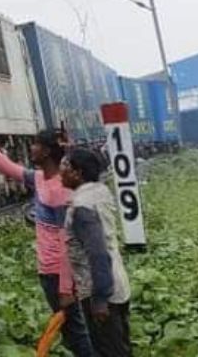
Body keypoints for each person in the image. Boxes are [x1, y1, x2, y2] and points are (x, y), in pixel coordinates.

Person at [0, 120, 94, 357]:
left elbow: (68, 242)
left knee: (76, 332)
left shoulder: (60, 190)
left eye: (35, 145)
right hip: (48, 271)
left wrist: (65, 287)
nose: (31, 149)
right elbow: (7, 166)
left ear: (47, 151)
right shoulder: (39, 178)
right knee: (72, 331)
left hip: (57, 274)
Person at [60, 148, 132, 357]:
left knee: (110, 351)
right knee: (121, 348)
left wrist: (99, 299)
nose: (60, 172)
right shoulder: (100, 192)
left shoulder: (82, 207)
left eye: (65, 166)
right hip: (117, 283)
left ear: (77, 173)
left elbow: (97, 253)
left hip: (101, 291)